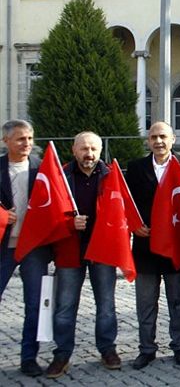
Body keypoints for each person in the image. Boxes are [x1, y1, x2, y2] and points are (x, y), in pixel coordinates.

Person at [125, 122, 180, 369]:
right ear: (148, 141)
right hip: (146, 247)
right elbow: (127, 204)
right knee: (146, 302)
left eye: (163, 136)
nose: (158, 141)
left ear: (173, 139)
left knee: (178, 300)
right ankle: (146, 349)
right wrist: (133, 226)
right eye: (154, 137)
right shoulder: (135, 168)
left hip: (177, 247)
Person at [46, 132, 120, 378]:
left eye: (93, 149)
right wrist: (69, 223)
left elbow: (122, 211)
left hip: (102, 250)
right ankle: (62, 353)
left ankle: (107, 349)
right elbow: (48, 212)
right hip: (70, 249)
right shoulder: (61, 175)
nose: (89, 154)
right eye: (84, 149)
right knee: (65, 306)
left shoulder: (112, 175)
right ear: (74, 150)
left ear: (100, 151)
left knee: (106, 305)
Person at [0, 119, 50, 377]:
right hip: (2, 247)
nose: (27, 144)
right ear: (5, 141)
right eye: (20, 139)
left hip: (34, 249)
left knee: (35, 305)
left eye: (30, 138)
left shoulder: (42, 169)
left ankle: (29, 357)